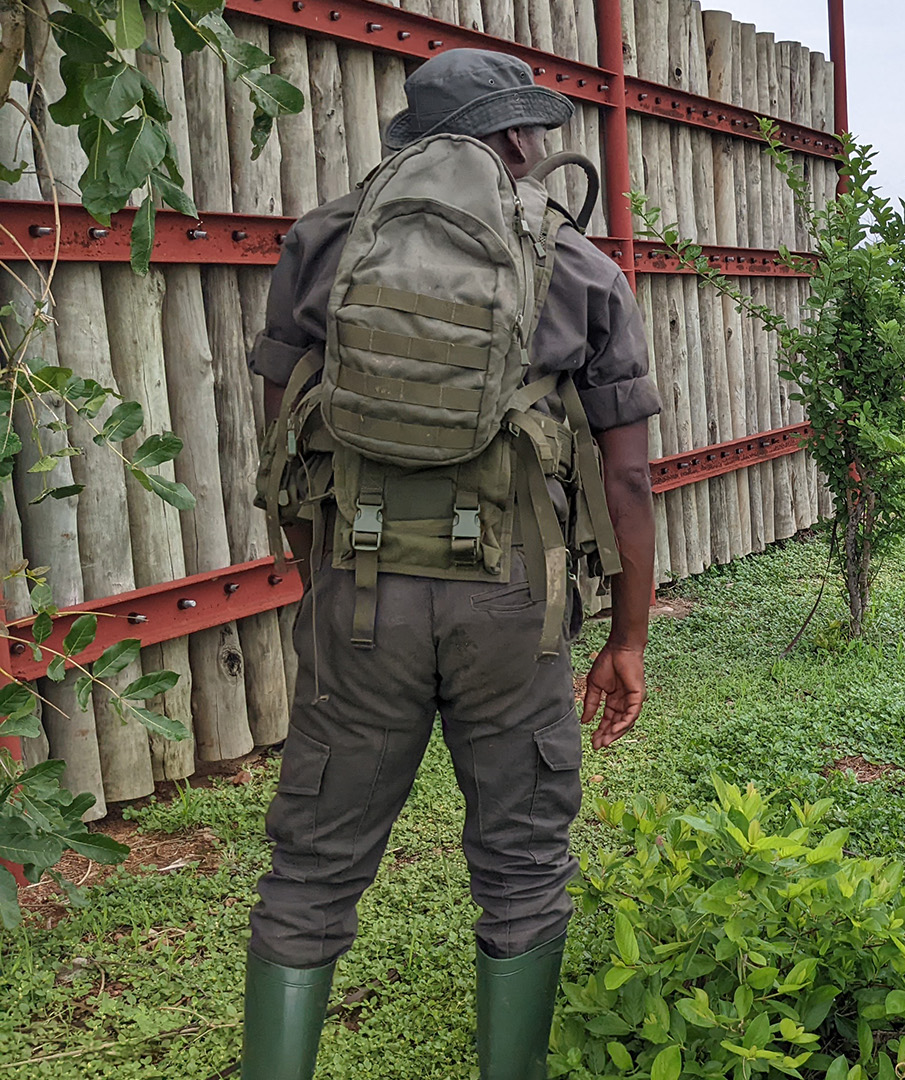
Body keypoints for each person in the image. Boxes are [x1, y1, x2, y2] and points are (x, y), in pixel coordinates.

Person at [240, 49, 660, 1080]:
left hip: (360, 586)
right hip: (513, 604)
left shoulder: (324, 242)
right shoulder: (580, 265)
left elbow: (283, 437)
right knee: (521, 866)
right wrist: (630, 636)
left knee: (310, 873)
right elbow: (628, 479)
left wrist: (323, 575)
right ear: (515, 140)